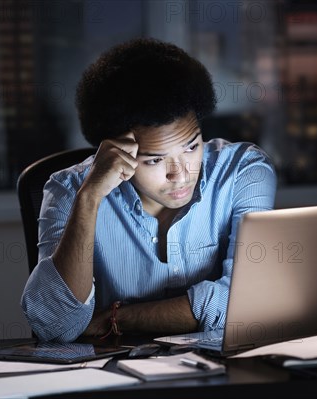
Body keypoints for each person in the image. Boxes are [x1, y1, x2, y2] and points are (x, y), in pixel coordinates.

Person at [20, 38, 277, 342]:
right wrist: (89, 199)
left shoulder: (243, 172)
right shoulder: (70, 189)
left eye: (192, 146)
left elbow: (243, 303)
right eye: (155, 159)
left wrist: (115, 318)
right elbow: (56, 325)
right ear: (116, 151)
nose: (180, 174)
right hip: (111, 378)